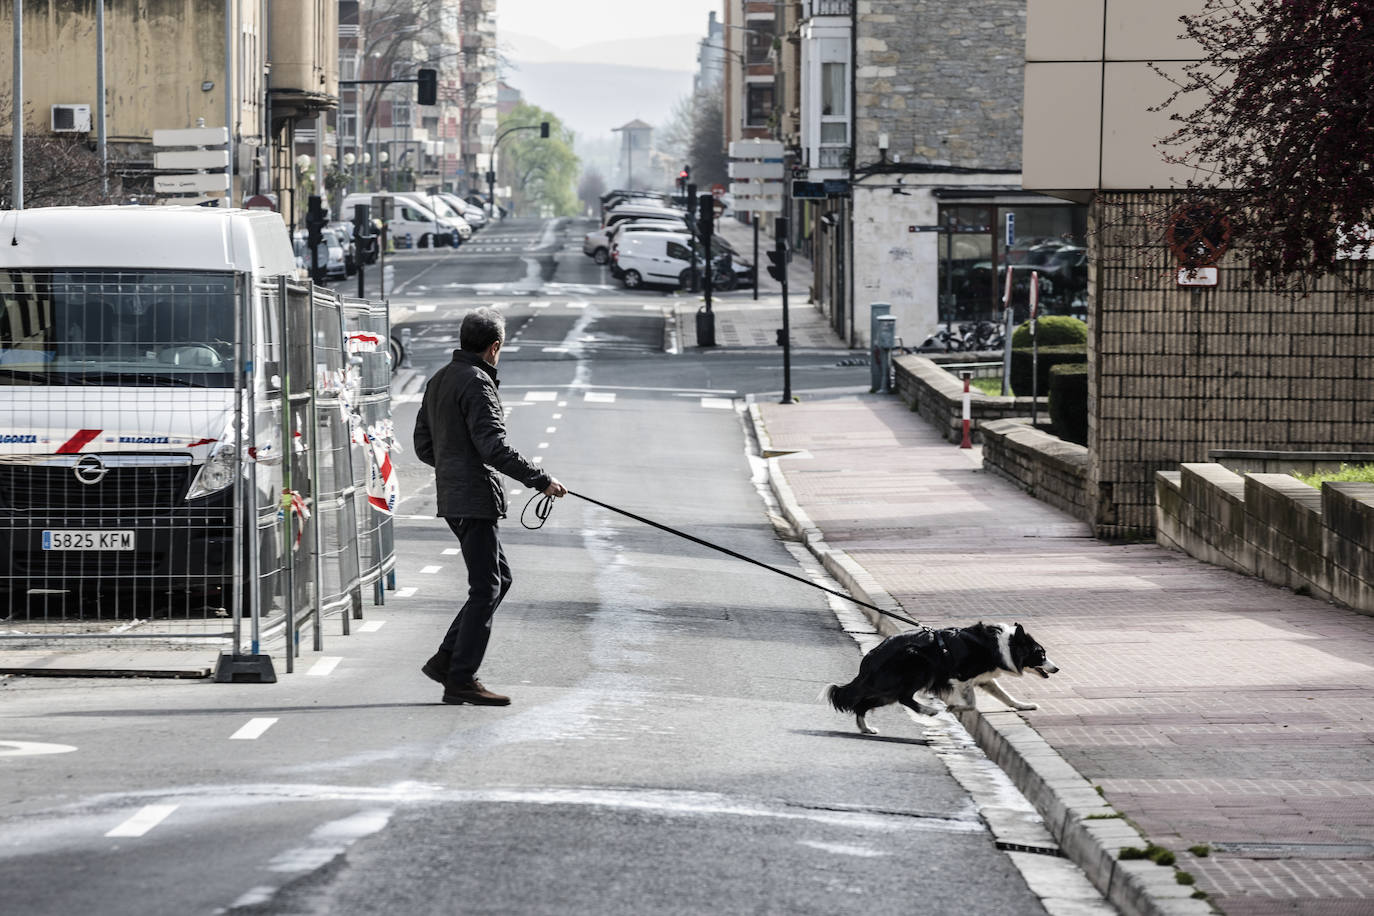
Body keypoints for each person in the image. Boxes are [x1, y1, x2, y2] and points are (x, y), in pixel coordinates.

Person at [413, 307, 566, 706]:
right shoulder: (478, 383)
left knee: (498, 579)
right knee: (486, 587)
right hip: (474, 498)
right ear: (494, 347)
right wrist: (540, 479)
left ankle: (447, 661)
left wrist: (451, 466)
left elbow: (424, 446)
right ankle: (461, 677)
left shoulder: (440, 379)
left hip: (455, 496)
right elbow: (493, 448)